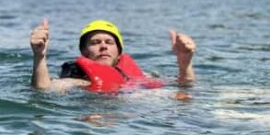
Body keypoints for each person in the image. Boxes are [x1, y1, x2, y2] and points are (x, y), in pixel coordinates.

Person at [30, 19, 196, 92]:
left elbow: (185, 85)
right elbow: (44, 89)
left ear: (119, 53)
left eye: (109, 42)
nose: (103, 46)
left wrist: (185, 64)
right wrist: (39, 56)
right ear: (84, 52)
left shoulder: (140, 76)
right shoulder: (78, 81)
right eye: (95, 42)